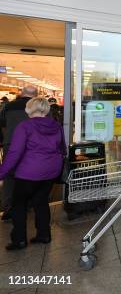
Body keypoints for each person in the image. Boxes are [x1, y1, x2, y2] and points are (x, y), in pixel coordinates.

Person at [0, 97, 65, 250]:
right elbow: (62, 149)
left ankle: (19, 240)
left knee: (19, 204)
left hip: (29, 172)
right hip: (51, 171)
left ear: (29, 109)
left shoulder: (25, 126)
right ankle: (44, 235)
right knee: (41, 201)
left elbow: (15, 153)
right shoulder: (56, 125)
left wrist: (2, 173)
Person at [0, 86, 37, 222]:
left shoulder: (9, 106)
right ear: (36, 95)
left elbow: (2, 123)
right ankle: (26, 205)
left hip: (11, 144)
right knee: (29, 175)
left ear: (21, 94)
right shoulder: (38, 107)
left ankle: (8, 208)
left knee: (10, 176)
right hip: (31, 145)